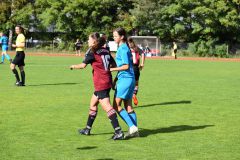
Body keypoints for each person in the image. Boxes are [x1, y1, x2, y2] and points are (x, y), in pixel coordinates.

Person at [70, 32, 124, 140]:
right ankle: (87, 129)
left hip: (101, 83)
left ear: (94, 41)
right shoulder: (105, 50)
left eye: (89, 39)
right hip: (107, 80)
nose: (87, 41)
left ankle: (118, 132)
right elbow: (113, 65)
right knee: (93, 104)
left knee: (107, 106)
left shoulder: (92, 51)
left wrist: (73, 66)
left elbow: (83, 66)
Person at [110, 28, 139, 138]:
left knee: (116, 106)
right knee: (128, 106)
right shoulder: (124, 48)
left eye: (116, 36)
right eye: (113, 36)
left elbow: (126, 66)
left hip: (126, 79)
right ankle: (135, 131)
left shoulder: (122, 49)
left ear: (122, 37)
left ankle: (132, 127)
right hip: (128, 79)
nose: (114, 38)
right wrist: (115, 80)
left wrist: (112, 70)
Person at [128, 37, 145, 106]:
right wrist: (142, 63)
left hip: (128, 68)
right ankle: (134, 94)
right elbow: (143, 54)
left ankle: (129, 96)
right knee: (136, 83)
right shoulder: (137, 48)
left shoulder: (127, 49)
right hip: (136, 68)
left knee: (129, 83)